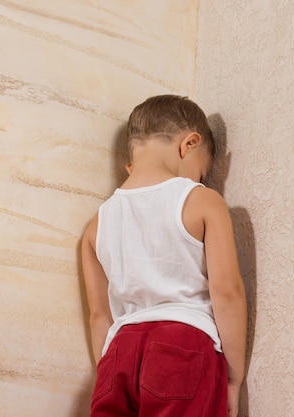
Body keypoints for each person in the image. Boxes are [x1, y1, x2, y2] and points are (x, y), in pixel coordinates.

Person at [81, 94, 247, 417]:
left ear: (131, 164)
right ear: (189, 145)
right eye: (200, 173)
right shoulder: (202, 201)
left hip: (118, 354)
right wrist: (234, 379)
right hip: (183, 346)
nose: (198, 182)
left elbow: (99, 317)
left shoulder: (96, 225)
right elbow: (227, 292)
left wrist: (109, 373)